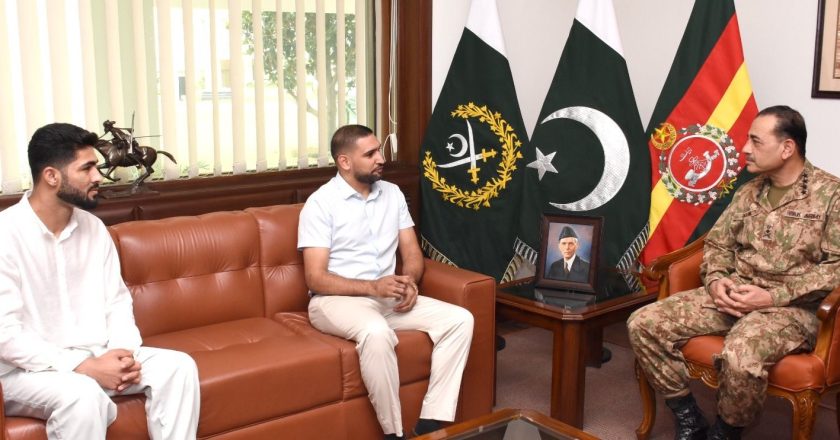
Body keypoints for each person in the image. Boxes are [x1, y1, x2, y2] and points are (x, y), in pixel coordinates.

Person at [627, 106, 840, 440]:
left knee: (741, 354)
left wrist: (771, 296)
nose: (744, 148)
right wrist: (717, 281)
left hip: (793, 309)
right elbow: (717, 246)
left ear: (787, 148)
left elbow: (836, 269)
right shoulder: (749, 191)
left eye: (755, 140)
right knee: (644, 322)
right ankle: (688, 416)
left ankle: (726, 432)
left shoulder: (832, 196)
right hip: (735, 294)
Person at [0, 123, 200, 439]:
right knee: (81, 395)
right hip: (24, 372)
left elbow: (117, 303)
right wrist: (85, 366)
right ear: (51, 176)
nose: (98, 176)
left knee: (178, 368)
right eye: (88, 167)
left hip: (97, 353)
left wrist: (122, 354)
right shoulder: (5, 235)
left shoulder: (94, 229)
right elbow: (6, 335)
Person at [298, 124, 474, 440]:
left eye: (380, 150)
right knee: (376, 333)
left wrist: (409, 281)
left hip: (387, 297)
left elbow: (411, 250)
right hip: (334, 301)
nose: (381, 159)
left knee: (460, 319)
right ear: (345, 162)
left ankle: (432, 422)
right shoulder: (320, 204)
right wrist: (372, 287)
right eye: (371, 154)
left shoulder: (392, 194)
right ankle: (394, 434)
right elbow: (315, 277)